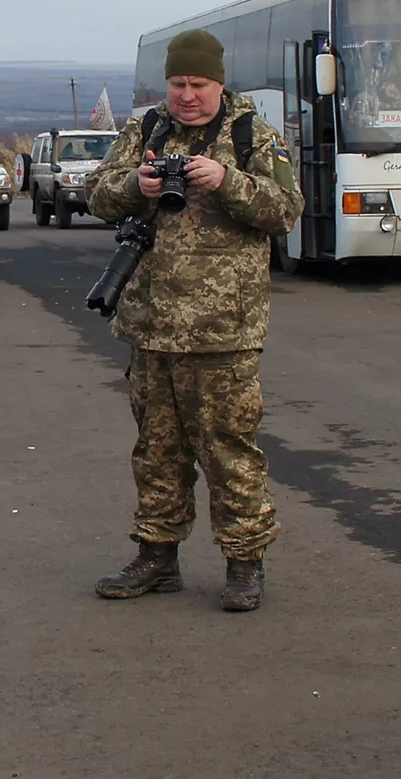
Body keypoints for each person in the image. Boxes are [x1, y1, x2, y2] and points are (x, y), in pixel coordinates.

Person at [84, 30, 303, 612]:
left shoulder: (252, 134)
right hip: (151, 327)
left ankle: (244, 561)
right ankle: (156, 557)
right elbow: (95, 194)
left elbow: (286, 211)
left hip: (223, 332)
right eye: (178, 84)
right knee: (156, 449)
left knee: (229, 449)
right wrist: (138, 183)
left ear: (219, 83)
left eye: (197, 84)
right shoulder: (148, 131)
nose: (186, 95)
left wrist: (226, 180)